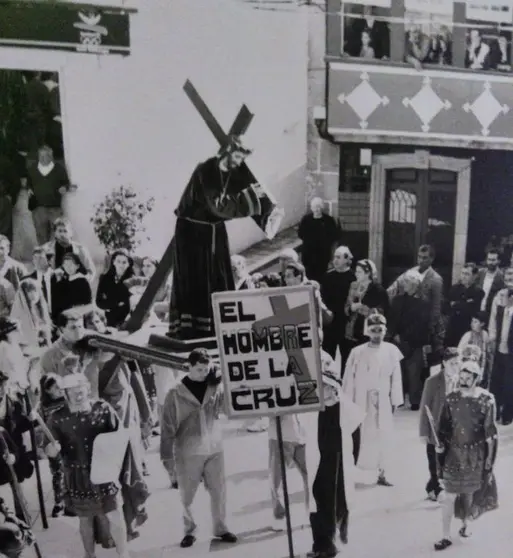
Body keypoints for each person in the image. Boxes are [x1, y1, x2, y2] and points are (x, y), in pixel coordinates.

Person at [168, 135, 268, 340]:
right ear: (228, 152)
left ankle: (215, 326)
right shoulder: (206, 170)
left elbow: (236, 196)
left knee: (217, 277)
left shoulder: (232, 173)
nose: (240, 162)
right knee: (195, 278)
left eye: (242, 158)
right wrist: (250, 197)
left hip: (213, 231)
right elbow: (218, 206)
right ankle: (193, 328)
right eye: (238, 156)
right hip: (193, 232)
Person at [46, 372, 131, 558]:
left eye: (81, 390)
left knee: (115, 515)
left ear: (88, 389)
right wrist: (52, 450)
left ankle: (124, 554)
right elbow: (48, 449)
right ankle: (89, 555)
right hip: (78, 476)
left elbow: (119, 438)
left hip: (105, 472)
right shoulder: (57, 418)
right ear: (65, 393)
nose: (78, 395)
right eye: (73, 392)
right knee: (85, 520)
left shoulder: (103, 409)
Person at [160, 348, 237, 549]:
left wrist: (224, 383)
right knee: (188, 494)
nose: (204, 373)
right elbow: (167, 426)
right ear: (189, 367)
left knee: (219, 490)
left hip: (214, 446)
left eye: (207, 369)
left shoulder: (214, 387)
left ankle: (221, 528)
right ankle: (190, 531)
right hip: (187, 449)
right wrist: (166, 459)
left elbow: (227, 409)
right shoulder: (174, 393)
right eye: (200, 369)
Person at [434, 360, 498, 551]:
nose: (463, 381)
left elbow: (490, 433)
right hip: (454, 453)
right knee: (448, 495)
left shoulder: (487, 400)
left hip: (475, 455)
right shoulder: (451, 398)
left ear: (476, 379)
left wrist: (489, 459)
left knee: (469, 493)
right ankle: (445, 535)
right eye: (461, 377)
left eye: (468, 378)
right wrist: (440, 447)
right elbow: (442, 427)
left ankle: (464, 525)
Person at [306, 351, 364, 558]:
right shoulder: (313, 408)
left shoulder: (347, 409)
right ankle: (319, 544)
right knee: (316, 501)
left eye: (326, 387)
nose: (322, 391)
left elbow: (356, 439)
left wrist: (351, 464)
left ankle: (329, 545)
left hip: (339, 462)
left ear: (334, 388)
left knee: (333, 504)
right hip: (317, 460)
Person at [342, 312, 403, 486]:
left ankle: (384, 472)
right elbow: (349, 378)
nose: (377, 334)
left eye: (380, 330)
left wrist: (395, 400)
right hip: (362, 398)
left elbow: (396, 378)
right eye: (373, 330)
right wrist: (349, 402)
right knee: (360, 435)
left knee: (384, 435)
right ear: (367, 331)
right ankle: (352, 472)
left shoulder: (391, 351)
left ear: (385, 330)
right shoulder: (357, 352)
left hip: (383, 398)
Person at [419, 348, 460, 502]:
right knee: (434, 460)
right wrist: (423, 432)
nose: (455, 367)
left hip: (451, 428)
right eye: (451, 363)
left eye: (457, 363)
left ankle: (435, 485)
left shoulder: (461, 380)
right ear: (444, 363)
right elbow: (425, 407)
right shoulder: (432, 382)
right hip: (434, 428)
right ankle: (435, 487)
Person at [388, 270, 431, 410]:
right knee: (398, 372)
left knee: (414, 373)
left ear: (416, 284)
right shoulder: (397, 300)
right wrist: (395, 334)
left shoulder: (424, 303)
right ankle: (398, 399)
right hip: (397, 340)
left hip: (415, 341)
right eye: (404, 281)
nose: (404, 284)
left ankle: (415, 401)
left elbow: (422, 324)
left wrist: (406, 337)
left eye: (407, 282)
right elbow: (392, 319)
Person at [387, 244, 444, 338]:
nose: (421, 260)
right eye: (419, 257)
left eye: (425, 258)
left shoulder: (436, 279)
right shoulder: (410, 272)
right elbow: (394, 288)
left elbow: (436, 308)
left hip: (422, 324)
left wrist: (430, 329)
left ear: (431, 259)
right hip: (405, 321)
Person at [268, 408, 309, 532]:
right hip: (279, 435)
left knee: (310, 477)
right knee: (277, 478)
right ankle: (279, 517)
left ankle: (311, 514)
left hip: (302, 434)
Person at [321, 246, 355, 374]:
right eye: (334, 257)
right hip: (330, 322)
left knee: (346, 355)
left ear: (347, 260)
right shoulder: (327, 276)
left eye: (338, 257)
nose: (335, 260)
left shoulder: (353, 277)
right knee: (328, 354)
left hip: (345, 322)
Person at [26, 146, 71, 245]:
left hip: (54, 208)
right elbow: (28, 183)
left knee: (58, 234)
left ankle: (57, 256)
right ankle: (44, 258)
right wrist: (28, 189)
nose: (42, 158)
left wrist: (65, 187)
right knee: (41, 236)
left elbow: (66, 183)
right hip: (38, 208)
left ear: (51, 157)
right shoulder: (33, 168)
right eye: (40, 156)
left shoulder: (58, 169)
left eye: (45, 156)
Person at [344, 259, 389, 357]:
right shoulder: (354, 286)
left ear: (368, 273)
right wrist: (351, 308)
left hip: (366, 336)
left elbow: (381, 314)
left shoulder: (378, 290)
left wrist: (362, 308)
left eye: (359, 272)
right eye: (356, 271)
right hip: (350, 334)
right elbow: (346, 307)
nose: (356, 274)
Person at [487, 282, 513, 424]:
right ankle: (494, 413)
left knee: (509, 384)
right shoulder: (500, 311)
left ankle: (507, 415)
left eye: (503, 296)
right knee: (495, 382)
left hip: (511, 353)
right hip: (499, 351)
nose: (499, 298)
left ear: (511, 298)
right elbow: (495, 329)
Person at [298, 197, 340, 283]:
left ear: (322, 208)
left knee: (321, 277)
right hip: (308, 255)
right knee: (309, 277)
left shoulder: (328, 220)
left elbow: (334, 235)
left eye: (318, 207)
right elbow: (301, 234)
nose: (316, 209)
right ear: (311, 208)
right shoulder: (306, 220)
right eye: (314, 207)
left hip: (322, 255)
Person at [43, 217, 95, 283]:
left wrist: (83, 282)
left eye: (65, 231)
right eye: (59, 231)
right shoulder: (46, 249)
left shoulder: (81, 249)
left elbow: (91, 271)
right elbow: (40, 271)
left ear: (71, 233)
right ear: (55, 233)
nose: (62, 234)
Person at [444, 264, 484, 347]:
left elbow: (469, 309)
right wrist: (463, 303)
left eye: (467, 274)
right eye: (462, 273)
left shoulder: (478, 292)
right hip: (452, 326)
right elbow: (446, 306)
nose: (463, 276)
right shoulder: (454, 288)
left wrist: (456, 304)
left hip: (467, 328)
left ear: (475, 276)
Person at [96, 250, 135, 328]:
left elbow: (127, 303)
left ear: (128, 264)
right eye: (118, 261)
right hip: (109, 320)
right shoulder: (104, 278)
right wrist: (116, 303)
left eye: (124, 262)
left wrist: (109, 304)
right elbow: (99, 302)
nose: (121, 265)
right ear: (113, 262)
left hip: (126, 321)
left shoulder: (133, 280)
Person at [10, 278, 52, 349]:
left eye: (35, 291)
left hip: (43, 344)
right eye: (29, 291)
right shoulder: (19, 311)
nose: (33, 295)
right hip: (28, 346)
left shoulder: (40, 307)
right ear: (23, 294)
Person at [458, 311, 491, 386]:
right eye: (472, 321)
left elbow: (487, 352)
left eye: (475, 322)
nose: (472, 324)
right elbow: (459, 350)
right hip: (468, 367)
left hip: (480, 367)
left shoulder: (485, 335)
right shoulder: (467, 335)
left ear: (482, 324)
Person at [476, 249, 504, 321]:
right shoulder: (480, 273)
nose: (491, 262)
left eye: (493, 260)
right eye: (489, 259)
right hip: (477, 311)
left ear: (498, 261)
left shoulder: (501, 277)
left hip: (491, 314)